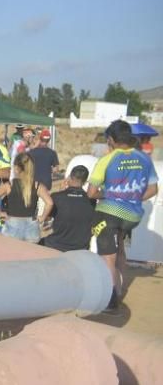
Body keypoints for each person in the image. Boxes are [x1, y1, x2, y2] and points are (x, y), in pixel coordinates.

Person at [87, 120, 159, 310]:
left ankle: (110, 299)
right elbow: (153, 189)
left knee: (107, 257)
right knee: (120, 251)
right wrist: (131, 197)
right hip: (132, 216)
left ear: (110, 139)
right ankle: (119, 290)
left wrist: (110, 193)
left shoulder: (106, 160)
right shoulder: (144, 158)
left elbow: (91, 193)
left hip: (110, 213)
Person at [0, 153, 53, 243]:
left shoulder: (9, 185)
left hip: (12, 226)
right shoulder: (38, 186)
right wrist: (42, 217)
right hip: (31, 227)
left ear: (16, 168)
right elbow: (50, 203)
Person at [40, 165, 96, 252]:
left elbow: (47, 218)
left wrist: (61, 192)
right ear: (85, 182)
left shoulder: (57, 197)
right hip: (81, 247)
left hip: (56, 245)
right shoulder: (91, 201)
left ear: (69, 177)